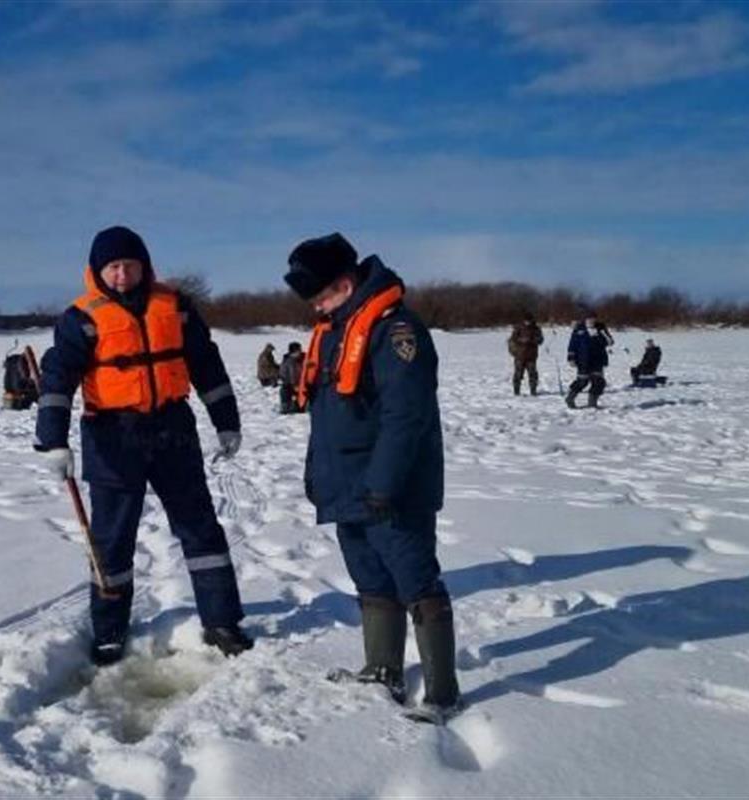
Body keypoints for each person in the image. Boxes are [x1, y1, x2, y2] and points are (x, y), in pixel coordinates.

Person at [34, 225, 253, 666]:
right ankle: (110, 631)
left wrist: (226, 421)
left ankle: (222, 621)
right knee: (113, 541)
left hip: (173, 430)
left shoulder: (176, 307)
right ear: (98, 271)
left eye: (129, 265)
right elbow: (58, 381)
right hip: (112, 438)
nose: (122, 274)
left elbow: (206, 365)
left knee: (200, 529)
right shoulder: (80, 319)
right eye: (113, 266)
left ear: (144, 266)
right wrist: (52, 440)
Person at [283, 232, 462, 724]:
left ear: (345, 282)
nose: (317, 306)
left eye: (321, 296)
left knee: (415, 580)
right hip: (348, 486)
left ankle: (443, 693)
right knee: (371, 580)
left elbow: (407, 416)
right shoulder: (335, 327)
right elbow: (328, 415)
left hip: (393, 488)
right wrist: (317, 475)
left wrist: (384, 483)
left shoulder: (395, 328)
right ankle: (383, 670)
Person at [566, 309, 610, 408]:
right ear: (585, 319)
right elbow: (572, 344)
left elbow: (610, 342)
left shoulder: (601, 328)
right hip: (583, 360)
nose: (591, 321)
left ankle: (592, 403)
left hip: (597, 360)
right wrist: (571, 358)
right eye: (589, 319)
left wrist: (599, 335)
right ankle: (570, 398)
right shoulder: (578, 329)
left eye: (593, 319)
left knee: (598, 382)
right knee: (582, 381)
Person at [507, 312, 544, 395]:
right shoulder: (518, 328)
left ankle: (533, 391)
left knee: (533, 375)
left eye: (529, 320)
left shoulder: (536, 328)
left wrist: (533, 340)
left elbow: (541, 340)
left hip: (531, 356)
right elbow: (513, 339)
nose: (528, 322)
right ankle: (516, 391)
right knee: (518, 375)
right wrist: (522, 340)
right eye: (526, 320)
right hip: (519, 356)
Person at [278, 342, 305, 414]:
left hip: (303, 384)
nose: (299, 352)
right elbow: (283, 375)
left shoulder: (304, 359)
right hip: (290, 385)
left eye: (299, 350)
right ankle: (286, 406)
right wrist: (293, 385)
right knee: (284, 390)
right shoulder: (287, 362)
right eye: (297, 351)